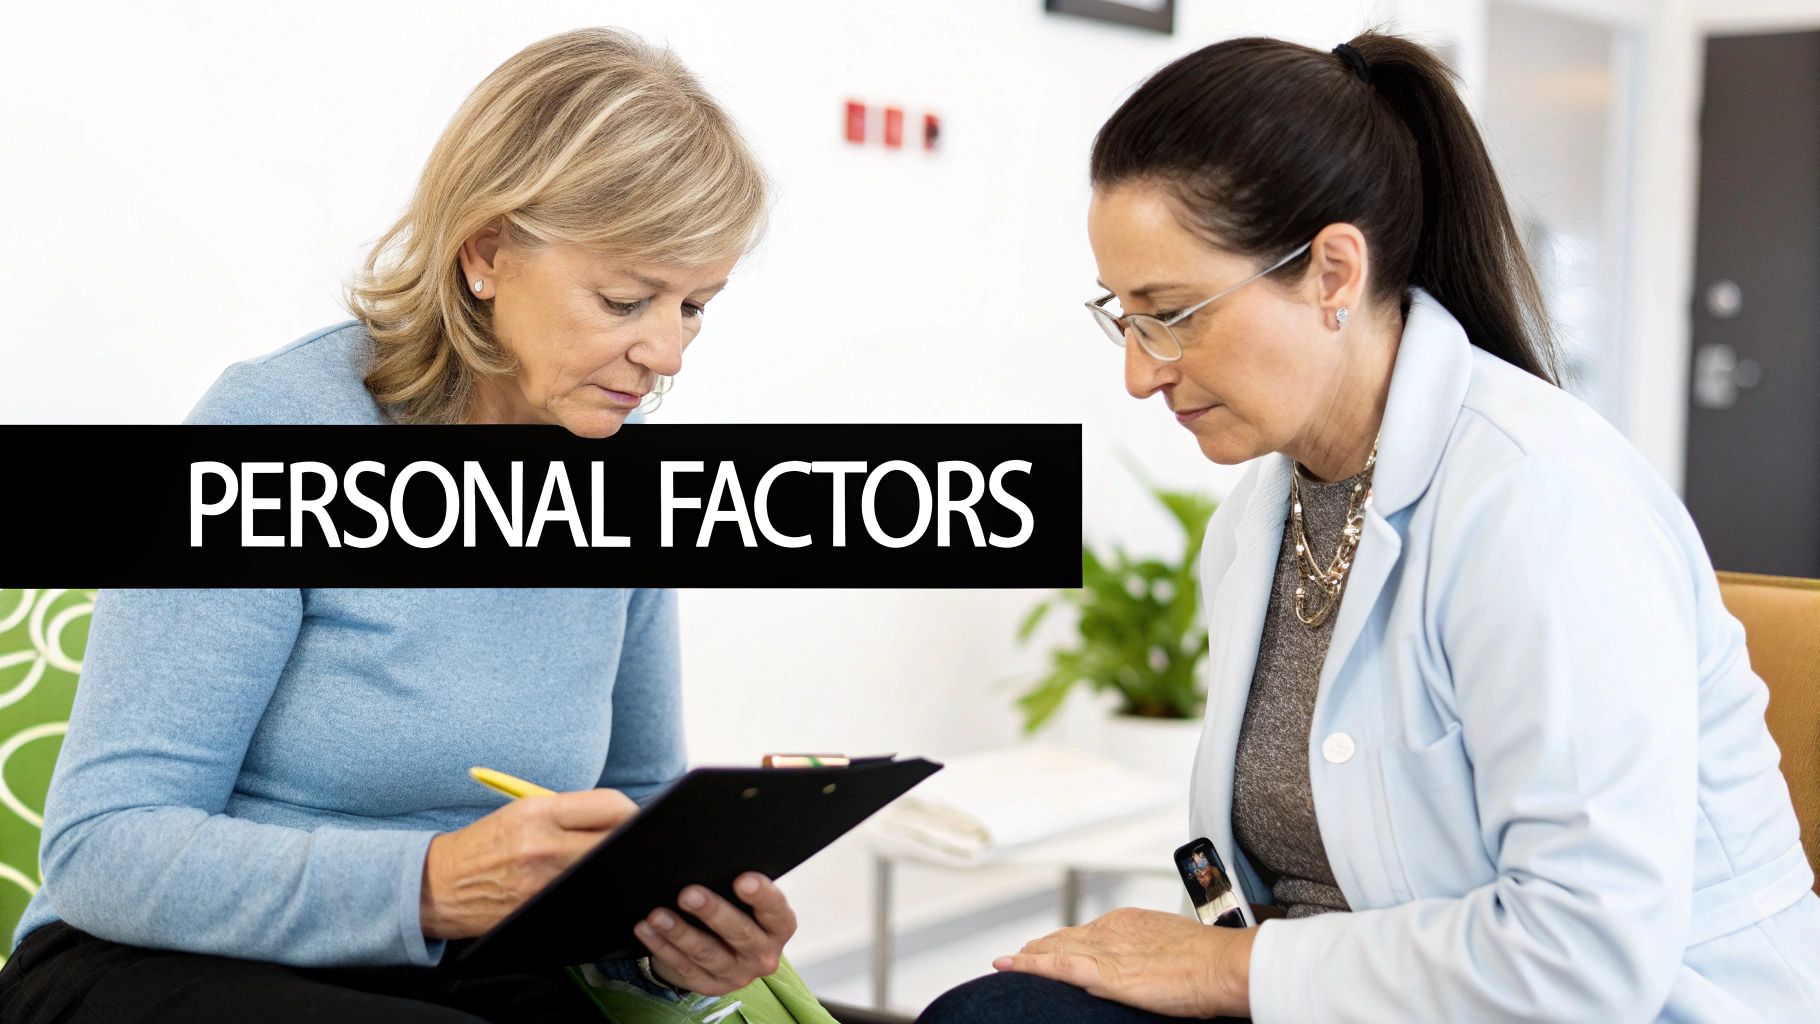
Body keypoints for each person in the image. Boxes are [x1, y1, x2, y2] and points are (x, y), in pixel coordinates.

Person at [919, 30, 1820, 1024]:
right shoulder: (1260, 521)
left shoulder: (1539, 502)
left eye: (1170, 314)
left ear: (1332, 273)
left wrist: (1223, 971)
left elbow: (1583, 958)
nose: (1140, 371)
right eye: (1123, 318)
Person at [0, 28, 788, 1024]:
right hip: (151, 963)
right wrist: (426, 882)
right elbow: (99, 846)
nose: (667, 352)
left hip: (465, 973)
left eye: (695, 306)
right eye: (626, 298)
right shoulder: (272, 429)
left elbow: (630, 822)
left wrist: (677, 944)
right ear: (488, 252)